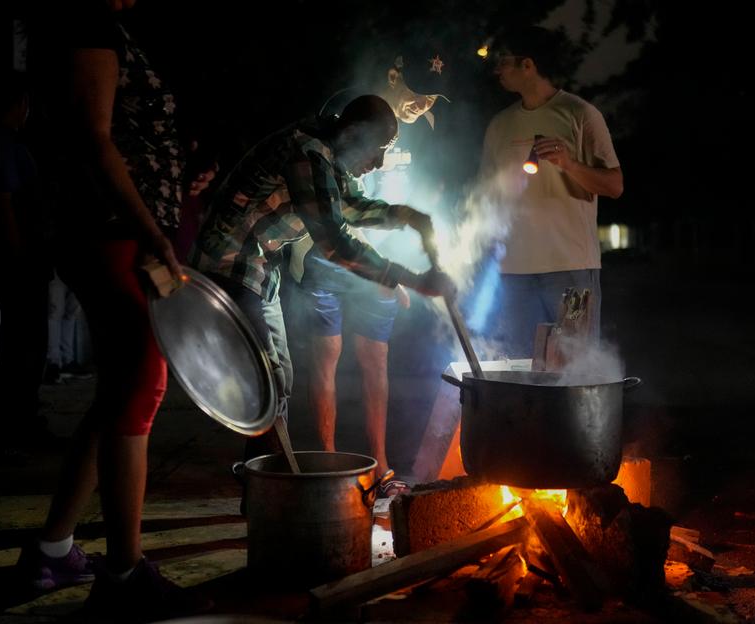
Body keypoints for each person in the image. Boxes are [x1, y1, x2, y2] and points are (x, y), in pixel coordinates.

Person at [18, 1, 213, 619]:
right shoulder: (83, 25)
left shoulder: (97, 26)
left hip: (115, 228)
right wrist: (152, 229)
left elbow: (122, 138)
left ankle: (53, 549)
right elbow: (95, 139)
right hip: (108, 230)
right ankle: (124, 573)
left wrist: (176, 181)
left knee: (117, 393)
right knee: (141, 380)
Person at [189, 95, 455, 473]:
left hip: (259, 271)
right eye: (378, 150)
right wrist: (411, 280)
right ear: (352, 133)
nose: (378, 162)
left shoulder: (326, 154)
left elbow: (349, 206)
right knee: (268, 381)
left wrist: (407, 216)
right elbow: (335, 240)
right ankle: (272, 488)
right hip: (230, 267)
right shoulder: (307, 151)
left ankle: (264, 487)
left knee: (279, 382)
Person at [287, 45, 454, 495]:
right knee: (326, 356)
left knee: (375, 359)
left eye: (434, 98)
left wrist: (401, 257)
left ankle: (379, 468)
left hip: (376, 258)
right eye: (421, 92)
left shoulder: (426, 132)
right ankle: (327, 463)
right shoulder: (346, 111)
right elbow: (333, 209)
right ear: (395, 77)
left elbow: (409, 194)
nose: (425, 104)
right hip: (329, 252)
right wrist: (400, 275)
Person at [480, 26, 624, 357]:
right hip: (514, 273)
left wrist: (570, 164)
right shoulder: (499, 126)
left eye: (503, 62)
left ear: (527, 65)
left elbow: (615, 185)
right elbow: (485, 196)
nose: (497, 70)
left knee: (573, 371)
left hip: (570, 269)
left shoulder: (581, 114)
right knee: (521, 371)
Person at [0, 71, 57, 458]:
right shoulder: (1, 143)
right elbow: (4, 201)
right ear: (18, 103)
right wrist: (21, 251)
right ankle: (11, 425)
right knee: (23, 342)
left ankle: (15, 422)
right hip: (18, 257)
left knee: (22, 340)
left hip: (15, 255)